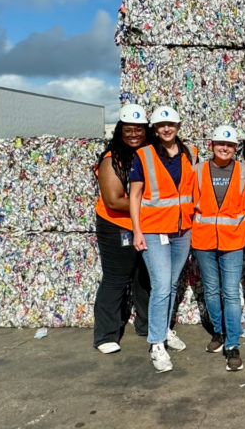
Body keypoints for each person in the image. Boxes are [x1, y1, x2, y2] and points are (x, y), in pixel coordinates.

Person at [128, 106, 198, 373]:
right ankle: (156, 343)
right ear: (154, 129)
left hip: (182, 231)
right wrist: (137, 230)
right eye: (160, 125)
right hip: (154, 230)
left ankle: (165, 328)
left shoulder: (190, 153)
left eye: (170, 124)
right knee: (161, 286)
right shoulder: (143, 155)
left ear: (178, 125)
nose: (166, 129)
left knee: (170, 283)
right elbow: (135, 195)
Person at [191, 125, 245, 372]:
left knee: (230, 292)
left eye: (229, 145)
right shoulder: (198, 171)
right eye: (219, 144)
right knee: (211, 290)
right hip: (204, 239)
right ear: (211, 145)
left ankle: (232, 344)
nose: (224, 148)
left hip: (233, 240)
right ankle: (218, 332)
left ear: (235, 148)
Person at [92, 104, 153, 355]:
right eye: (128, 130)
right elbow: (114, 201)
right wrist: (156, 206)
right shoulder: (112, 160)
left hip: (145, 225)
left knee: (144, 278)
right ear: (120, 130)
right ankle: (105, 335)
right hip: (118, 226)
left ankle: (148, 326)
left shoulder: (148, 156)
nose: (133, 134)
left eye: (139, 130)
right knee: (117, 279)